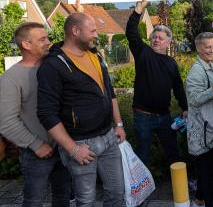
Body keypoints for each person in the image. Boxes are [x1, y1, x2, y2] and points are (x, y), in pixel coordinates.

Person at [37, 12, 125, 207]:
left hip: (109, 137)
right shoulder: (53, 65)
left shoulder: (95, 55)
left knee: (117, 194)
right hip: (81, 144)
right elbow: (46, 113)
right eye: (92, 31)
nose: (96, 35)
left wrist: (118, 124)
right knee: (86, 201)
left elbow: (109, 92)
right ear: (75, 31)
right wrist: (73, 149)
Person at [0, 22, 71, 206]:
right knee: (34, 201)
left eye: (47, 37)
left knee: (63, 197)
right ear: (26, 45)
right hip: (36, 153)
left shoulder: (53, 67)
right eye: (42, 39)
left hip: (64, 146)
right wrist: (36, 144)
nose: (48, 42)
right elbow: (6, 121)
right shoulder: (11, 78)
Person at [125, 0, 188, 166]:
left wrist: (185, 108)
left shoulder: (171, 63)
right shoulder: (143, 53)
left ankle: (180, 189)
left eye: (160, 38)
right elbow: (131, 32)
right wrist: (138, 10)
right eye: (154, 36)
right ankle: (141, 191)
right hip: (143, 116)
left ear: (168, 43)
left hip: (164, 117)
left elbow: (178, 87)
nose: (156, 39)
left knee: (173, 153)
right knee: (142, 155)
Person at [186, 32, 213, 207]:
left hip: (211, 129)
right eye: (207, 47)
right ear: (198, 48)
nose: (212, 50)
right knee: (206, 172)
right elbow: (193, 99)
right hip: (201, 131)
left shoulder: (212, 67)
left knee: (207, 170)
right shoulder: (196, 71)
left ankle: (199, 200)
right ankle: (209, 203)